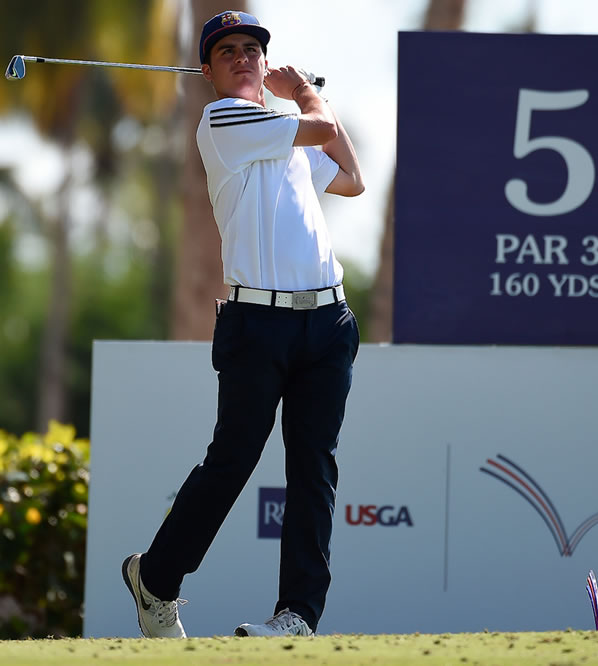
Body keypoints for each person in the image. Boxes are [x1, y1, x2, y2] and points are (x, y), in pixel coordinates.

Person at [121, 10, 364, 638]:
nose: (242, 57)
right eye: (226, 50)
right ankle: (156, 579)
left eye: (252, 48)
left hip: (327, 319)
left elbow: (354, 180)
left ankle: (298, 616)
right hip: (257, 321)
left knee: (314, 468)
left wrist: (306, 100)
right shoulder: (222, 120)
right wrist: (306, 91)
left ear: (264, 59)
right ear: (207, 72)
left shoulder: (284, 129)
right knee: (232, 461)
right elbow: (322, 127)